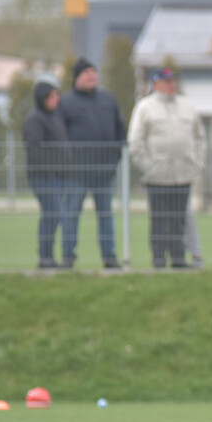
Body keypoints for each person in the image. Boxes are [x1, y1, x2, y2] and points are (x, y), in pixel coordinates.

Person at [128, 68, 206, 269]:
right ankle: (159, 259)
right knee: (159, 220)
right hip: (157, 177)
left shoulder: (187, 106)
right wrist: (149, 167)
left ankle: (178, 258)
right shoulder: (145, 108)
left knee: (179, 220)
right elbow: (135, 142)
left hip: (182, 175)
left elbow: (200, 138)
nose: (171, 85)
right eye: (166, 81)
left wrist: (196, 163)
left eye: (173, 81)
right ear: (156, 84)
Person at [59, 57, 125, 269]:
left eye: (93, 72)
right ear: (77, 77)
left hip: (104, 171)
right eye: (86, 73)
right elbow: (59, 135)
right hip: (75, 173)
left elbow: (120, 130)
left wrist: (115, 157)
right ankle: (68, 257)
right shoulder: (66, 102)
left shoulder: (107, 99)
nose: (91, 76)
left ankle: (109, 257)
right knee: (71, 215)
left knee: (106, 215)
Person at [23, 79, 74, 269]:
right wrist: (54, 164)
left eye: (57, 95)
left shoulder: (55, 117)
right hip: (43, 176)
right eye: (52, 96)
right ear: (42, 98)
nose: (56, 99)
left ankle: (48, 257)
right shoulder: (34, 119)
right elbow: (35, 149)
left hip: (58, 176)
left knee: (53, 214)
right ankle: (45, 257)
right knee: (52, 213)